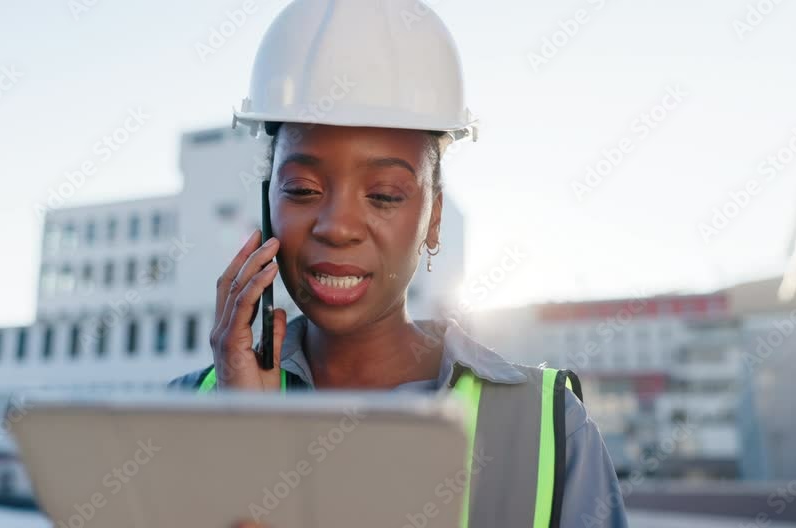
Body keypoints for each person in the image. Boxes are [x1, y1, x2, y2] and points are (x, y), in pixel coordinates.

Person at [169, 1, 629, 526]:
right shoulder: (184, 410)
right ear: (266, 205)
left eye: (385, 195)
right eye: (301, 189)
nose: (337, 226)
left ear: (432, 221)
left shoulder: (549, 429)